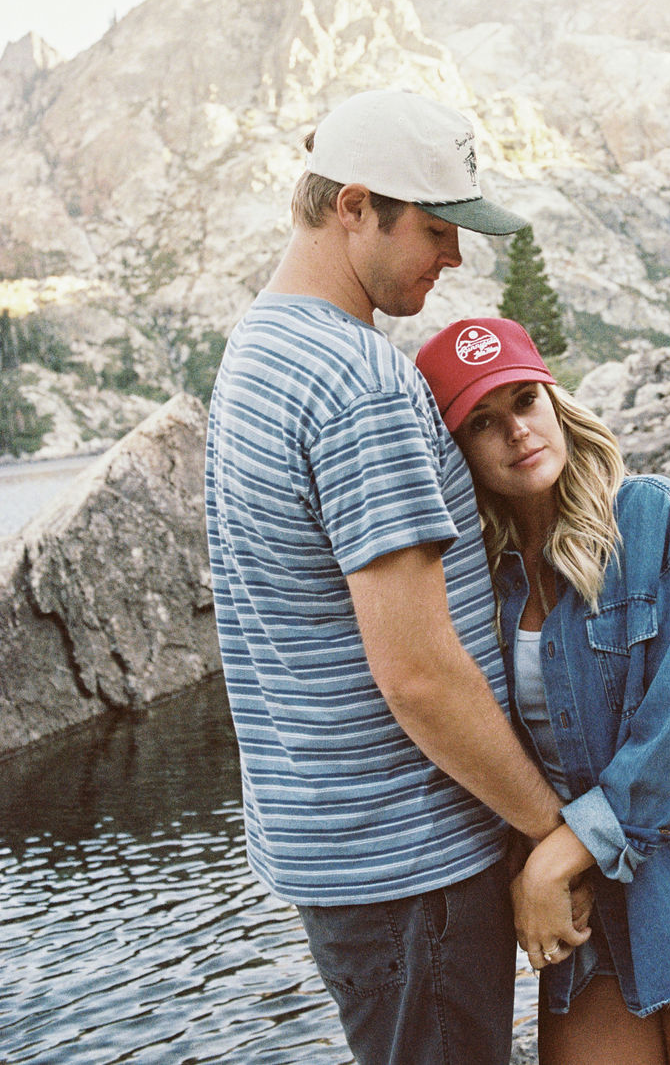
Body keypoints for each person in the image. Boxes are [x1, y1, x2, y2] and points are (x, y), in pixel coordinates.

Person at [205, 91, 591, 1065]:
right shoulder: (357, 385)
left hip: (342, 852)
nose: (455, 255)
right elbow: (419, 671)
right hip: (413, 862)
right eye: (434, 227)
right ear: (355, 205)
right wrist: (552, 832)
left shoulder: (259, 350)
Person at [416, 316, 670, 1065]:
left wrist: (553, 857)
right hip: (590, 901)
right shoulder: (485, 582)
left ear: (557, 404)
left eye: (524, 401)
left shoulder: (655, 516)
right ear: (459, 451)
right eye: (483, 420)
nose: (516, 431)